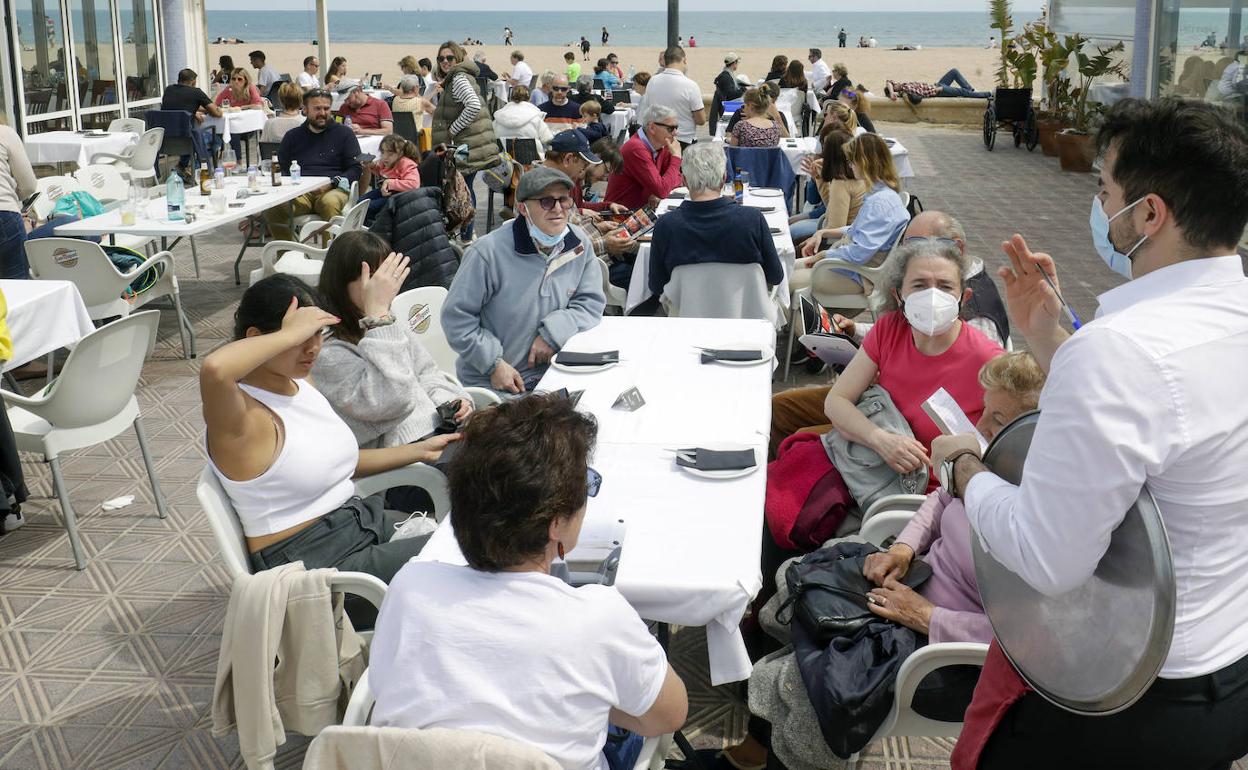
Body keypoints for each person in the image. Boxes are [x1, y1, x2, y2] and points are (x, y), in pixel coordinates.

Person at [928, 97, 1248, 770]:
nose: (1099, 209)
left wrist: (966, 471)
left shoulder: (1120, 351)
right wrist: (1052, 341)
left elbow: (1048, 559)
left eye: (1105, 191)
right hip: (1226, 673)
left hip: (1127, 701)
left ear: (1150, 213)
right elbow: (1162, 436)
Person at [723, 351, 1043, 770]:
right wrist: (903, 549)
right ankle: (762, 744)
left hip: (950, 652)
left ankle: (782, 746)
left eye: (999, 421)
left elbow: (1031, 640)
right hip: (910, 586)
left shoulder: (1051, 528)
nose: (981, 429)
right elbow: (938, 499)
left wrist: (929, 616)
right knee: (794, 581)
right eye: (986, 411)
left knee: (808, 685)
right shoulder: (995, 465)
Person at [369, 393, 688, 770]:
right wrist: (596, 702)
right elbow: (668, 716)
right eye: (584, 487)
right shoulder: (599, 618)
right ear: (555, 522)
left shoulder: (410, 585)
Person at [200, 274, 457, 582]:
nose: (313, 348)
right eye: (300, 338)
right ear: (257, 337)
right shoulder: (242, 419)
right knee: (470, 549)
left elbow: (338, 462)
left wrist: (416, 452)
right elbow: (215, 371)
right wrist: (288, 335)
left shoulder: (298, 383)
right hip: (315, 565)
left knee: (484, 529)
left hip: (358, 524)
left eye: (319, 333)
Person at [442, 167, 605, 394]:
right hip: (496, 383)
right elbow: (456, 319)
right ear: (523, 209)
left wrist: (553, 334)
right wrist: (493, 364)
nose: (558, 209)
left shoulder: (578, 244)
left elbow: (590, 303)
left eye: (564, 200)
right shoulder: (487, 253)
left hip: (554, 372)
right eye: (546, 201)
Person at [313, 232, 469, 449]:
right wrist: (378, 319)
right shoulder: (326, 350)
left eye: (387, 274)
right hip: (407, 461)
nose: (384, 284)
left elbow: (426, 371)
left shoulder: (385, 320)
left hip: (441, 431)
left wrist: (451, 400)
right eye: (373, 277)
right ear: (342, 282)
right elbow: (392, 401)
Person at [648, 142, 784, 299]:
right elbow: (775, 276)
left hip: (686, 315)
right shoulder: (752, 220)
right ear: (724, 178)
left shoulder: (666, 225)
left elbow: (656, 285)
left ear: (684, 181)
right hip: (745, 315)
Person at [792, 133, 907, 297]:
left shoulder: (879, 203)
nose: (850, 166)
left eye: (852, 161)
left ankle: (797, 321)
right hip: (850, 267)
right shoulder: (882, 194)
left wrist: (824, 254)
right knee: (787, 270)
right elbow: (858, 230)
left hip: (857, 275)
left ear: (864, 163)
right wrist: (823, 232)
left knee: (785, 282)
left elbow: (858, 253)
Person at [264, 89, 361, 242]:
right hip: (301, 192)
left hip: (334, 188)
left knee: (329, 203)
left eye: (326, 108)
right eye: (317, 108)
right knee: (273, 209)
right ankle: (288, 254)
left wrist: (333, 182)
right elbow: (281, 168)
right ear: (305, 110)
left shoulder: (344, 134)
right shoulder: (293, 136)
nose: (322, 112)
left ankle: (329, 256)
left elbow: (355, 168)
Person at [431, 40, 500, 241]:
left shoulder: (459, 78)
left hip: (466, 146)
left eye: (449, 57)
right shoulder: (459, 77)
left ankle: (466, 236)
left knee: (463, 191)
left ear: (458, 58)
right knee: (466, 189)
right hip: (471, 143)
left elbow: (473, 106)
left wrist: (452, 130)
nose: (445, 61)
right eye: (441, 58)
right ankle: (467, 235)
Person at [543, 131, 633, 271]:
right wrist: (605, 243)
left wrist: (599, 227)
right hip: (587, 268)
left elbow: (574, 222)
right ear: (568, 159)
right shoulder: (546, 189)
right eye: (583, 165)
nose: (583, 171)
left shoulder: (560, 184)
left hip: (594, 259)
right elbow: (559, 249)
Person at [791, 128, 866, 246]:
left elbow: (836, 227)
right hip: (845, 232)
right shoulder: (853, 174)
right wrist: (818, 178)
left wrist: (817, 236)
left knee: (790, 232)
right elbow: (830, 207)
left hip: (840, 240)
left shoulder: (841, 182)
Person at [605, 104, 683, 210]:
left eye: (676, 128)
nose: (675, 133)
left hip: (642, 211)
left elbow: (677, 178)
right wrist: (676, 158)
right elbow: (662, 189)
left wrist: (654, 191)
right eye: (670, 128)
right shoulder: (635, 149)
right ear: (652, 127)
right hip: (621, 216)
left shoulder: (662, 145)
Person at [638, 46, 705, 149]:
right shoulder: (691, 85)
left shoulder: (653, 81)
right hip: (683, 139)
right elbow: (701, 120)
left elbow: (648, 109)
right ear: (684, 60)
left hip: (658, 140)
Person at [160, 68, 224, 173]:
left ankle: (183, 166)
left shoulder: (168, 90)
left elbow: (178, 107)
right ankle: (198, 169)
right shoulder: (196, 92)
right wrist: (220, 110)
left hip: (167, 141)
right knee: (216, 140)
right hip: (188, 140)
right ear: (193, 81)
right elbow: (216, 113)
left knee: (194, 135)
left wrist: (193, 113)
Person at [0, 122, 36, 280]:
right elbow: (28, 184)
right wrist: (12, 199)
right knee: (18, 289)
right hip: (5, 215)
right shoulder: (5, 133)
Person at [358, 135, 421, 222]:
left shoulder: (406, 163)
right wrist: (372, 166)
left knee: (369, 208)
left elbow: (414, 184)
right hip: (386, 192)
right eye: (383, 152)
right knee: (360, 202)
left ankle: (372, 227)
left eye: (390, 154)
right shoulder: (385, 162)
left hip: (400, 197)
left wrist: (390, 183)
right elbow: (382, 171)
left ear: (401, 154)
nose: (385, 157)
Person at [493, 85, 554, 150]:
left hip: (503, 157)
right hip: (533, 158)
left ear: (511, 98)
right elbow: (548, 139)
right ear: (529, 98)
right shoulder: (535, 118)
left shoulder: (498, 119)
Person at [884, 69, 991, 102]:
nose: (896, 82)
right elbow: (921, 94)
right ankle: (988, 94)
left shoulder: (902, 86)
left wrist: (892, 91)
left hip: (938, 85)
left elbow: (888, 81)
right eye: (895, 85)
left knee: (954, 72)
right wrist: (939, 89)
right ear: (895, 89)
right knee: (962, 93)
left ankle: (969, 90)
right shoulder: (906, 89)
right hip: (939, 90)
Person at [710, 52, 747, 137]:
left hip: (727, 104)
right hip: (728, 107)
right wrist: (742, 90)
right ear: (734, 63)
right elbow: (731, 94)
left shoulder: (727, 74)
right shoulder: (726, 76)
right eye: (737, 62)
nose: (737, 65)